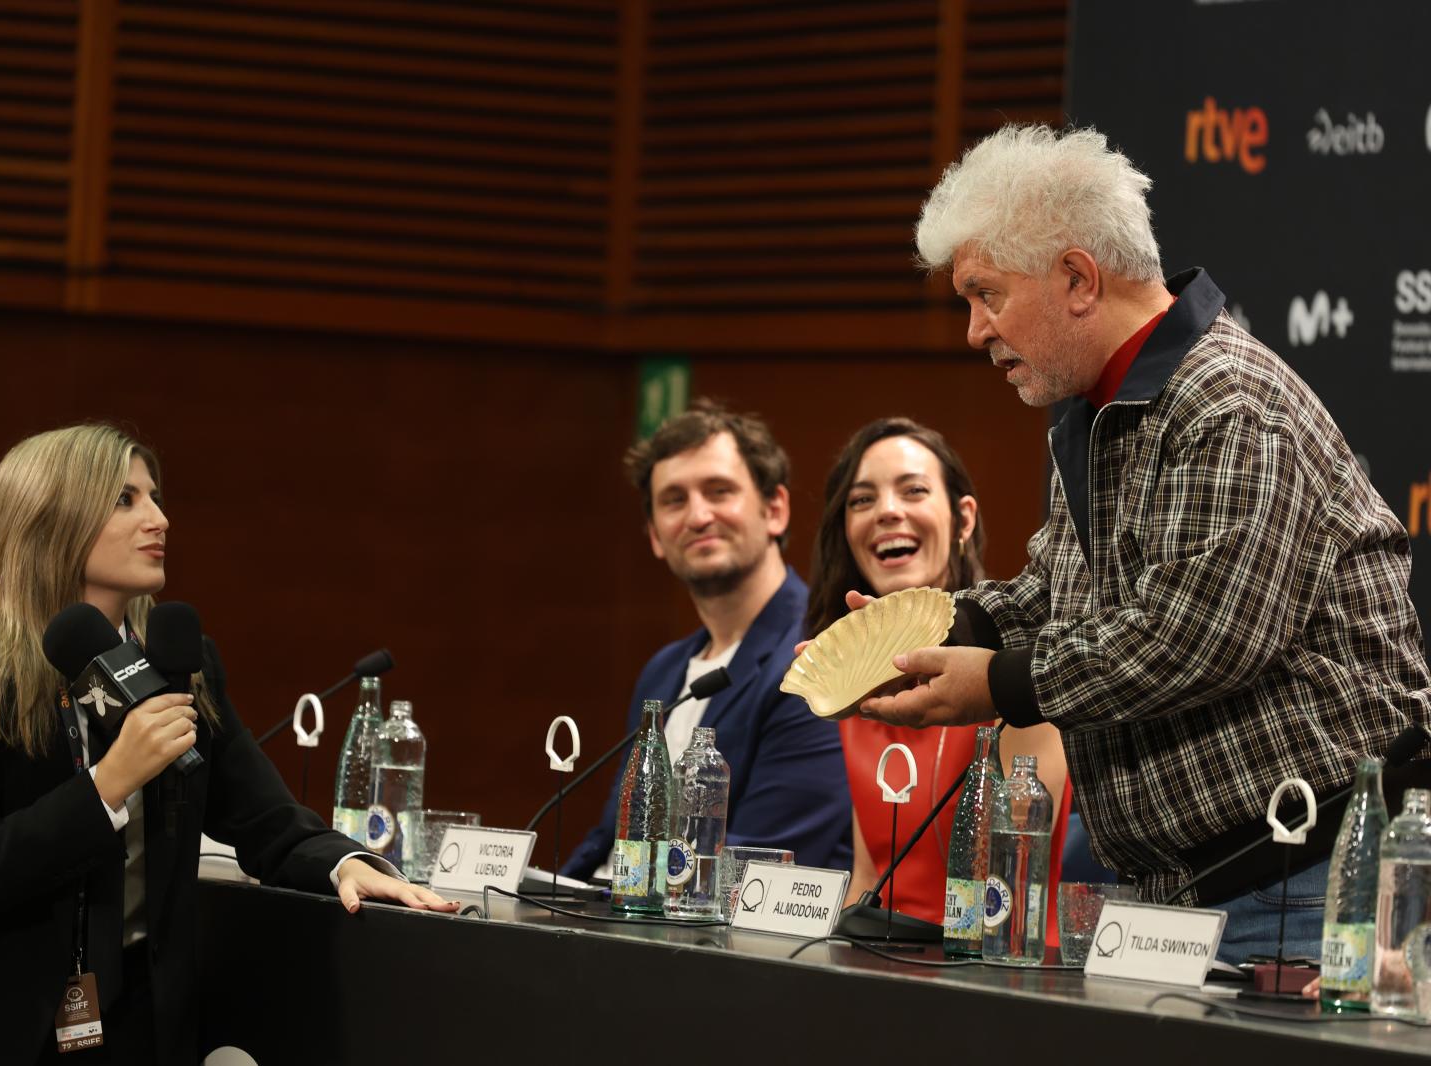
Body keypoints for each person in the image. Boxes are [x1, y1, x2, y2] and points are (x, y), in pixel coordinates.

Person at [855, 124, 1431, 964]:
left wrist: (1003, 683)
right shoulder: (1098, 411)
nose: (975, 331)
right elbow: (1054, 595)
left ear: (1078, 279)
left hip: (1301, 887)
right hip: (1188, 893)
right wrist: (927, 633)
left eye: (987, 295)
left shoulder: (1230, 402)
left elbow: (1198, 637)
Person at [0, 424, 454, 1066]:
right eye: (125, 499)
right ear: (49, 518)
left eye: (156, 496)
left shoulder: (179, 665)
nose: (160, 519)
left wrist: (347, 862)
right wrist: (109, 783)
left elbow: (264, 820)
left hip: (134, 1022)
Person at [562, 401, 852, 881]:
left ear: (774, 509)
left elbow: (762, 862)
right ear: (655, 535)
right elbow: (613, 839)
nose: (698, 516)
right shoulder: (663, 669)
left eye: (719, 491)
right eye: (674, 500)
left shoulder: (816, 654)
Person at [805, 417, 1069, 922]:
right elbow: (869, 875)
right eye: (861, 500)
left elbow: (1008, 887)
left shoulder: (1014, 668)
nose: (886, 511)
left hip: (999, 961)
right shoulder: (856, 689)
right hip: (882, 968)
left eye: (913, 491)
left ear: (963, 520)